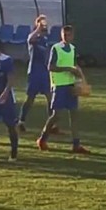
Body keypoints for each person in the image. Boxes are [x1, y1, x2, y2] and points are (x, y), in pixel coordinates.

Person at [37, 25, 89, 154]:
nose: (66, 37)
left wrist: (81, 77)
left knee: (74, 115)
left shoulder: (73, 49)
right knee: (56, 115)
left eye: (69, 35)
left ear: (72, 36)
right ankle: (42, 139)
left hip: (71, 85)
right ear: (61, 35)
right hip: (59, 85)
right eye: (64, 35)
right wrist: (68, 69)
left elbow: (75, 65)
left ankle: (76, 145)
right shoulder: (56, 48)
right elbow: (50, 67)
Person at [18, 16, 57, 133]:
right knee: (30, 98)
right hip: (34, 72)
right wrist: (38, 28)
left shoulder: (45, 40)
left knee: (50, 97)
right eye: (42, 25)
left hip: (44, 72)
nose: (44, 27)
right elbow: (30, 39)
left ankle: (51, 125)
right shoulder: (34, 38)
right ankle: (21, 121)